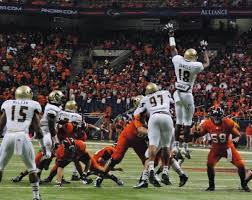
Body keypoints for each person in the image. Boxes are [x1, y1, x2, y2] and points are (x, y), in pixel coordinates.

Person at [164, 23, 210, 158]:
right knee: (188, 121)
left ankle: (176, 147)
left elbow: (173, 49)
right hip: (187, 95)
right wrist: (204, 49)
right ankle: (185, 147)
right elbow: (207, 63)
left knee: (178, 121)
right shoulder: (195, 65)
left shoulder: (178, 60)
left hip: (177, 93)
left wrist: (171, 34)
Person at [0, 85, 46, 200]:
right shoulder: (33, 105)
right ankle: (36, 196)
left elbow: (1, 125)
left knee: (0, 167)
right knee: (31, 168)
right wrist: (43, 146)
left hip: (8, 135)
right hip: (22, 135)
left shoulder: (8, 103)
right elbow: (38, 129)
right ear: (29, 94)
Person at [195, 107, 250, 192]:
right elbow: (201, 133)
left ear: (222, 116)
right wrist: (195, 134)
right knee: (209, 164)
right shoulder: (207, 124)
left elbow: (237, 134)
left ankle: (244, 185)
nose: (216, 118)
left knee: (241, 165)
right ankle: (211, 186)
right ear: (212, 116)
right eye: (215, 116)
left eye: (218, 116)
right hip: (215, 149)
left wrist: (236, 139)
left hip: (228, 148)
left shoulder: (228, 123)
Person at [134, 83, 174, 187]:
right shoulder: (165, 92)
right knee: (166, 145)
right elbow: (172, 102)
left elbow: (136, 113)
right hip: (166, 116)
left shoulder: (146, 98)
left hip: (154, 117)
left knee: (152, 144)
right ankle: (165, 171)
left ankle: (151, 169)